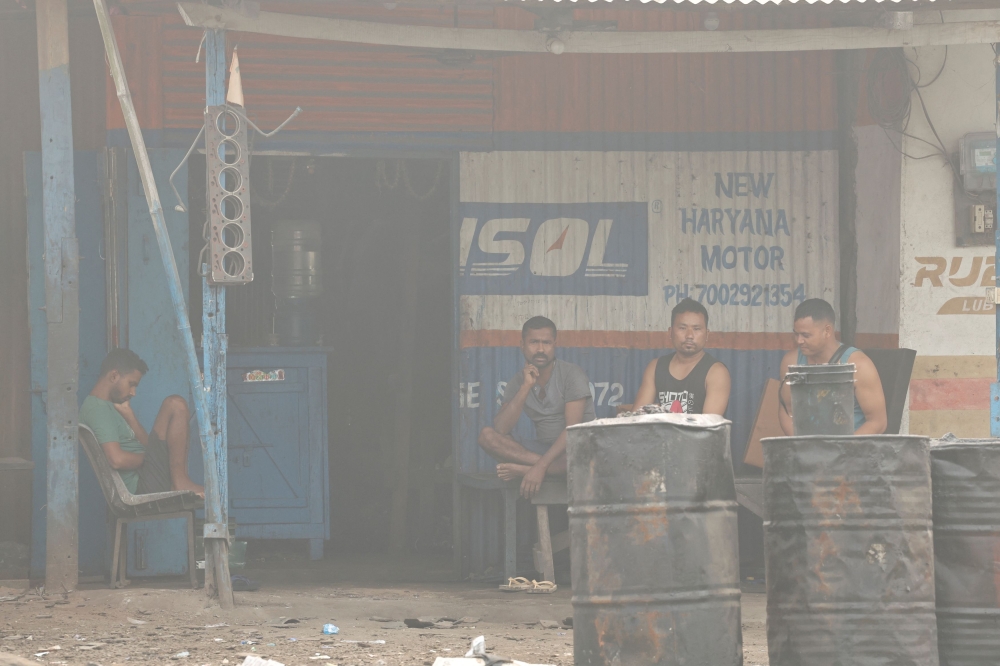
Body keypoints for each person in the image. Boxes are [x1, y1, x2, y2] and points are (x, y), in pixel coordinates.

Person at [478, 316, 596, 499]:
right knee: (487, 436)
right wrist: (525, 387)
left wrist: (539, 468)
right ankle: (547, 469)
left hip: (575, 451)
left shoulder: (572, 374)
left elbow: (572, 431)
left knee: (582, 458)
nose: (540, 349)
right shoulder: (518, 381)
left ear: (555, 344)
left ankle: (526, 469)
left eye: (546, 343)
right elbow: (501, 428)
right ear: (522, 345)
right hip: (544, 451)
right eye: (533, 342)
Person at [79, 348, 204, 497]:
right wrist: (149, 458)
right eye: (131, 384)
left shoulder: (110, 406)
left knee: (175, 405)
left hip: (146, 476)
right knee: (176, 404)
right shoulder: (98, 409)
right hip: (141, 485)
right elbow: (117, 460)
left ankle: (180, 480)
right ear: (114, 376)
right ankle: (180, 482)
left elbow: (147, 444)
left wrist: (130, 416)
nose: (133, 392)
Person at [778, 298, 887, 436]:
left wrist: (841, 447)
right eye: (796, 334)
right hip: (807, 447)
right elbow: (786, 411)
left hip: (851, 447)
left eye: (806, 335)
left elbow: (878, 423)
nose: (799, 340)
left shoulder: (860, 366)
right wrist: (801, 443)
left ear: (827, 331)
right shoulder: (791, 362)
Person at [632, 298, 731, 416]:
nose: (689, 335)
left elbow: (709, 425)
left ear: (707, 334)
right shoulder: (655, 367)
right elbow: (637, 418)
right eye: (682, 328)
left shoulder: (716, 372)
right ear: (670, 332)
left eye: (696, 329)